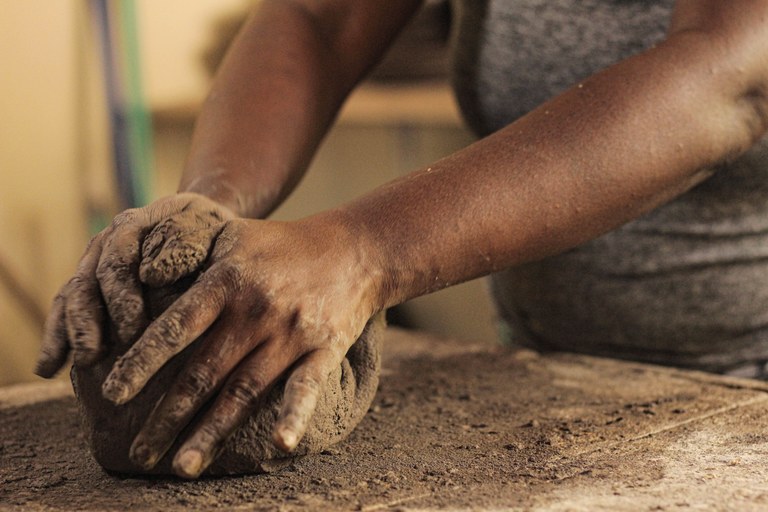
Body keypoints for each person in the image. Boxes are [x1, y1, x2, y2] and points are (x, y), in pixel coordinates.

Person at [34, 0, 768, 479]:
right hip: (566, 377)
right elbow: (319, 23)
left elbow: (729, 77)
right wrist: (202, 217)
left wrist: (361, 252)